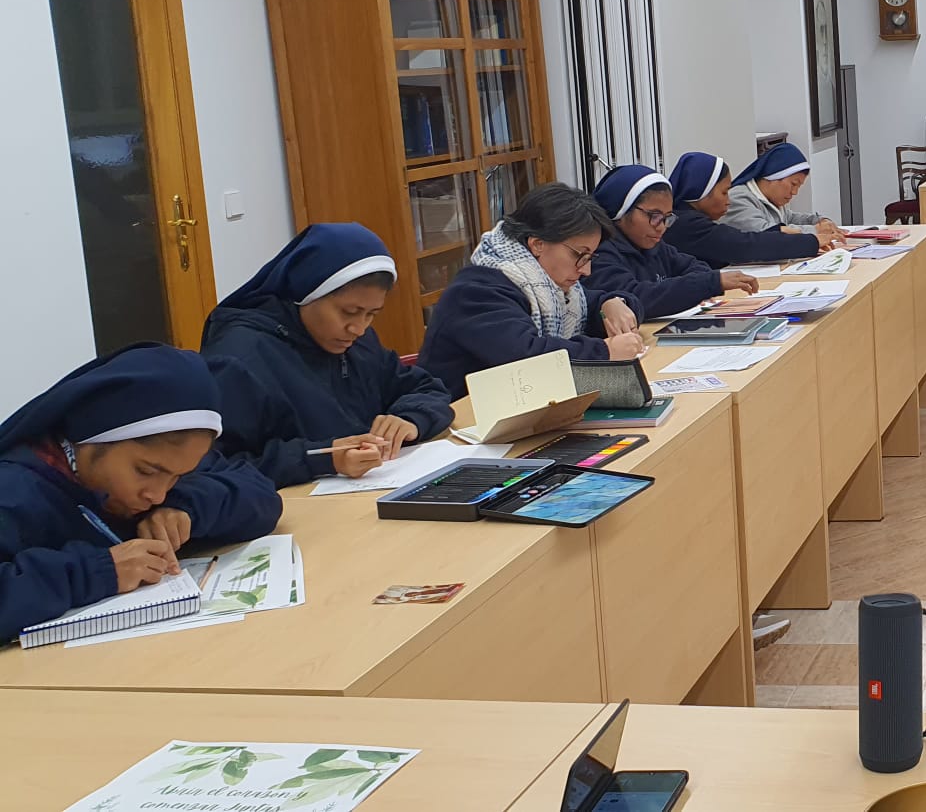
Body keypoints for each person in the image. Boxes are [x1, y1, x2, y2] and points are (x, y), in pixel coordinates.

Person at [0, 344, 283, 642]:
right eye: (145, 472)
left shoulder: (166, 460)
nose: (158, 495)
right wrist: (96, 572)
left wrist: (187, 507)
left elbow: (261, 494)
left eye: (178, 477)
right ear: (92, 439)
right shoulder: (16, 492)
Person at [201, 223, 455, 487]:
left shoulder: (357, 342)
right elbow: (213, 466)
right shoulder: (238, 359)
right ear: (307, 293)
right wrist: (322, 458)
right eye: (348, 312)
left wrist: (410, 418)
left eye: (371, 314)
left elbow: (426, 388)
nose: (358, 328)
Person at [417, 183, 643, 398]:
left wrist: (611, 303)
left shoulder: (549, 287)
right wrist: (604, 351)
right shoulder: (477, 292)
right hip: (459, 418)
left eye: (590, 257)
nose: (586, 270)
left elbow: (589, 303)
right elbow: (526, 357)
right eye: (579, 255)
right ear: (537, 244)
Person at [591, 163, 759, 319]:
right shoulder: (598, 252)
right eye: (654, 216)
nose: (662, 227)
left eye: (667, 218)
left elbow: (694, 267)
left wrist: (702, 285)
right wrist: (710, 283)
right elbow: (636, 297)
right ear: (620, 211)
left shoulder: (653, 244)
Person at [662, 151, 829, 270]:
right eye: (724, 193)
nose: (728, 201)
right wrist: (810, 242)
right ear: (701, 192)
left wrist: (781, 230)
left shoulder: (688, 219)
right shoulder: (687, 225)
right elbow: (744, 245)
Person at [720, 142, 844, 248]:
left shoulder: (771, 199)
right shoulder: (738, 198)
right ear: (774, 176)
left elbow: (789, 218)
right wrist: (815, 230)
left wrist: (819, 221)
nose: (794, 192)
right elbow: (765, 233)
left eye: (798, 186)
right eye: (793, 184)